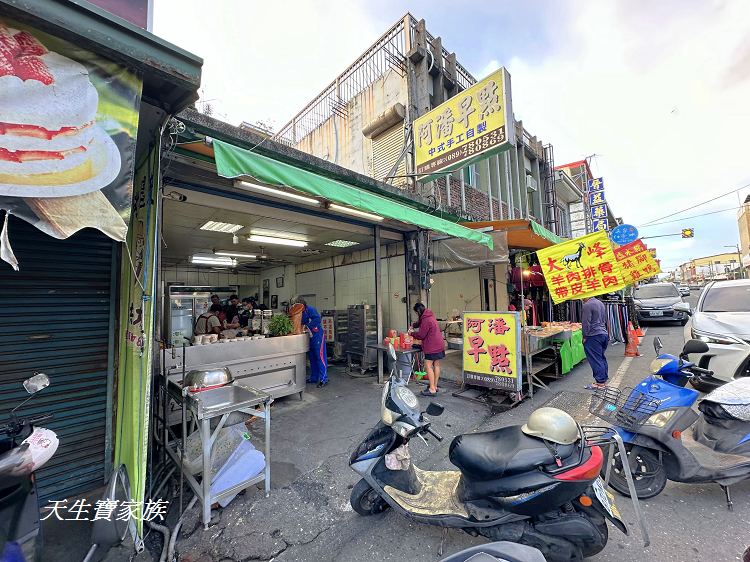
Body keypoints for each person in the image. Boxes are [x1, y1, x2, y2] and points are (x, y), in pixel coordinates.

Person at [410, 302, 445, 397]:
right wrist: (413, 325)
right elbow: (419, 323)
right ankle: (435, 386)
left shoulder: (425, 320)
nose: (416, 315)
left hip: (432, 346)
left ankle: (432, 389)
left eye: (416, 313)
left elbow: (421, 335)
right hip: (439, 344)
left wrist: (411, 334)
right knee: (436, 365)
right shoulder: (429, 315)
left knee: (428, 365)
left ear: (418, 312)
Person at [297, 298, 328, 387]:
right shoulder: (300, 312)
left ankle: (323, 379)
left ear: (302, 305)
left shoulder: (310, 310)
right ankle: (314, 377)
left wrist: (306, 326)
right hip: (308, 337)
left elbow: (317, 319)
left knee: (320, 357)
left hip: (317, 335)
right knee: (312, 358)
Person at [582, 296, 609, 389]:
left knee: (595, 359)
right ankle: (603, 381)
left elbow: (586, 323)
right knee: (601, 358)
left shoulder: (587, 305)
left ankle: (600, 382)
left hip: (593, 335)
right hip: (603, 333)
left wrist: (584, 336)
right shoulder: (600, 303)